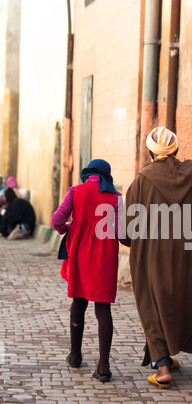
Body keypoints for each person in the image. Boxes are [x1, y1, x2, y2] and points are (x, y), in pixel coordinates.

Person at [125, 126, 192, 389]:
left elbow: (128, 226)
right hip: (188, 255)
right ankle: (166, 351)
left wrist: (129, 240)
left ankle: (163, 367)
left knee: (151, 303)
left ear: (150, 152)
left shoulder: (142, 180)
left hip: (151, 254)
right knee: (177, 300)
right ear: (175, 150)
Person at [51, 159, 129, 383]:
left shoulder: (76, 191)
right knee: (102, 308)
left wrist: (69, 228)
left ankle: (75, 355)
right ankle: (103, 367)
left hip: (79, 256)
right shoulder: (116, 198)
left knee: (79, 302)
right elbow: (123, 235)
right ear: (107, 176)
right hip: (104, 259)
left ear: (88, 174)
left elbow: (57, 219)